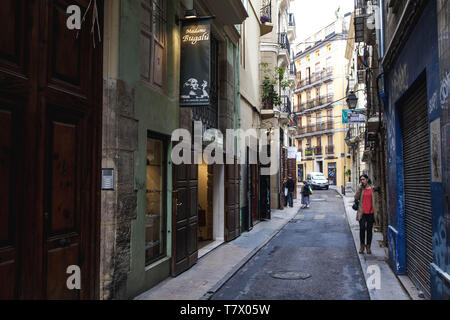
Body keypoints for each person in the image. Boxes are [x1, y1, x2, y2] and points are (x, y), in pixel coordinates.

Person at [354, 174, 380, 254]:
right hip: (362, 213)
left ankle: (368, 247)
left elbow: (376, 201)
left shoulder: (373, 189)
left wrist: (377, 211)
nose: (362, 181)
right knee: (362, 229)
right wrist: (359, 188)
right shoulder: (361, 189)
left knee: (369, 230)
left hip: (371, 213)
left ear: (367, 179)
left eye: (363, 179)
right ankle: (362, 246)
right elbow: (356, 197)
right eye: (361, 180)